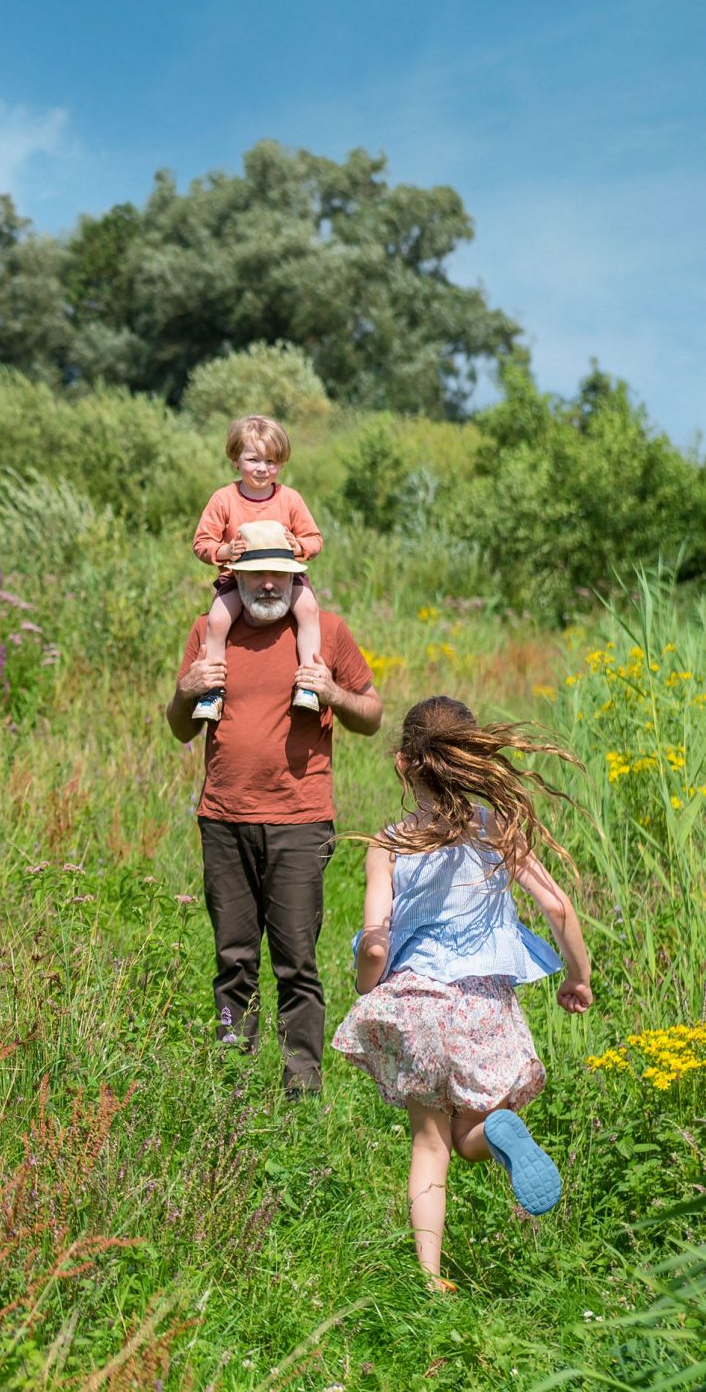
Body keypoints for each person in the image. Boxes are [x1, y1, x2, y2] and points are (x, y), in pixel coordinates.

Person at [332, 695, 593, 1293]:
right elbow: (558, 907)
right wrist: (577, 977)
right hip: (480, 1006)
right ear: (471, 762)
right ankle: (498, 1129)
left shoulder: (389, 843)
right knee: (472, 1135)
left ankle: (430, 1279)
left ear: (403, 765)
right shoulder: (495, 828)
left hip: (417, 1004)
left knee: (430, 1143)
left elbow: (375, 942)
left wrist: (368, 989)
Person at [166, 522, 383, 1097]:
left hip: (300, 820)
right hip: (223, 817)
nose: (268, 584)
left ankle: (301, 1084)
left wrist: (332, 693)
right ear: (233, 575)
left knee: (296, 960)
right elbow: (180, 728)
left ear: (296, 576)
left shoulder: (326, 633)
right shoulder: (209, 631)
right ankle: (232, 1076)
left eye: (279, 574)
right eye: (257, 573)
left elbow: (372, 714)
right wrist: (187, 690)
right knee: (233, 957)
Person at [191, 414, 323, 721]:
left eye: (271, 461)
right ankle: (213, 691)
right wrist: (224, 551)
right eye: (253, 459)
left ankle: (308, 682)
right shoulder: (223, 498)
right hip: (238, 576)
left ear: (281, 464)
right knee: (217, 621)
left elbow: (315, 539)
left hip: (285, 576)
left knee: (308, 610)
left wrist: (299, 546)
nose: (263, 469)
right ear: (236, 460)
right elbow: (201, 543)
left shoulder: (290, 499)